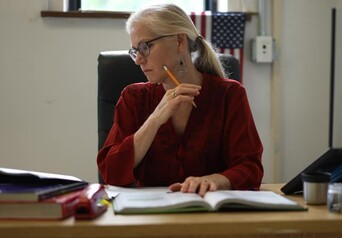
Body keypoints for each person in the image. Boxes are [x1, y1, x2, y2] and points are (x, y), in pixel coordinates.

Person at [97, 4, 263, 196]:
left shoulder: (230, 94)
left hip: (212, 216)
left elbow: (251, 168)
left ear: (179, 41)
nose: (138, 60)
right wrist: (154, 120)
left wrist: (215, 181)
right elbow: (111, 173)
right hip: (149, 218)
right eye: (135, 51)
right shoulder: (133, 98)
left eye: (145, 47)